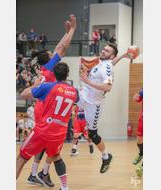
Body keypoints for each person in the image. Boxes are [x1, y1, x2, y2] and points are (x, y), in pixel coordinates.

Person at [23, 14, 77, 188]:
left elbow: (59, 47)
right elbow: (62, 48)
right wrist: (72, 31)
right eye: (50, 53)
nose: (53, 52)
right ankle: (40, 173)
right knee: (50, 143)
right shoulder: (49, 67)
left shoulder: (44, 70)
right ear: (48, 59)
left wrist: (67, 32)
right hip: (47, 109)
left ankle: (37, 173)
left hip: (43, 106)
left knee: (45, 142)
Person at [16, 62, 79, 190]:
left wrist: (35, 85)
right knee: (56, 156)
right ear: (68, 74)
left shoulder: (48, 87)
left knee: (21, 158)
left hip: (43, 130)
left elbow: (22, 95)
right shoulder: (74, 92)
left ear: (54, 75)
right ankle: (65, 187)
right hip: (60, 133)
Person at [78, 43, 133, 173]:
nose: (103, 51)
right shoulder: (104, 62)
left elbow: (108, 87)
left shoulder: (107, 66)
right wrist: (124, 56)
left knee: (93, 134)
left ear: (111, 54)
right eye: (104, 49)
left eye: (106, 51)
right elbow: (111, 63)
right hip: (83, 96)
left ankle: (106, 157)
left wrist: (88, 82)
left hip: (94, 104)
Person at [133, 88, 143, 177]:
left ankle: (143, 167)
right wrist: (136, 97)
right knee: (139, 141)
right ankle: (141, 153)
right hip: (143, 118)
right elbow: (140, 99)